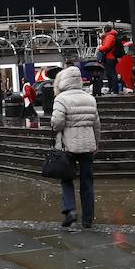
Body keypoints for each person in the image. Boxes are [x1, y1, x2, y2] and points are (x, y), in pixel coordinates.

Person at [50, 66, 100, 229]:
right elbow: (96, 125)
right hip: (87, 146)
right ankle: (88, 218)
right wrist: (96, 143)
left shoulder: (61, 98)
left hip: (68, 146)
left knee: (66, 179)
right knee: (87, 182)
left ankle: (70, 209)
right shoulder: (90, 98)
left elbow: (57, 123)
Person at [96, 25, 120, 96]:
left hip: (110, 57)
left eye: (103, 30)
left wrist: (100, 48)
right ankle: (112, 89)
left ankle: (114, 90)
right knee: (110, 74)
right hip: (110, 57)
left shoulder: (109, 36)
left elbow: (107, 47)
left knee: (111, 74)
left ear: (106, 30)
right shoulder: (109, 36)